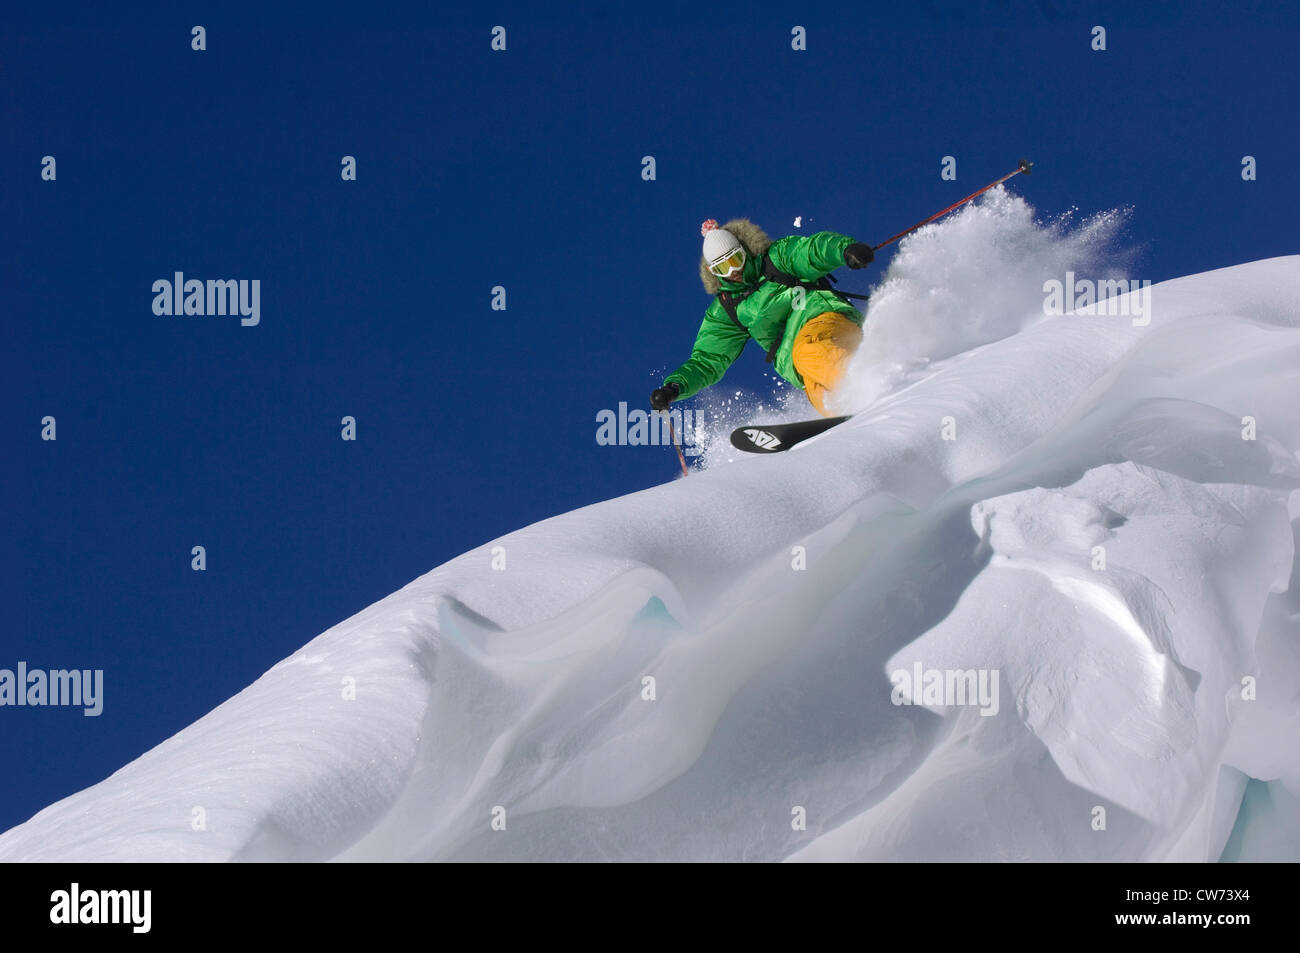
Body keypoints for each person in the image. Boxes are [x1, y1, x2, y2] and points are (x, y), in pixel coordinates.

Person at [651, 218, 875, 417]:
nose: (733, 272)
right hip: (797, 364)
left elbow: (811, 252)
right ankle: (858, 418)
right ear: (713, 272)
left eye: (735, 260)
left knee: (807, 351)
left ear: (744, 251)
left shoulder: (776, 259)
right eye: (722, 268)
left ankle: (869, 385)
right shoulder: (728, 308)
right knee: (819, 392)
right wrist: (674, 387)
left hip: (822, 320)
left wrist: (844, 250)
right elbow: (707, 360)